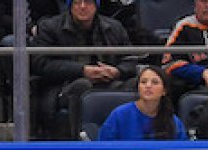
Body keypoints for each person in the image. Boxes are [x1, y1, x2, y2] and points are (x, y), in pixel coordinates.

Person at [32, 0, 136, 139]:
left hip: (108, 82)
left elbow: (130, 60)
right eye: (77, 2)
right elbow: (40, 64)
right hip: (65, 86)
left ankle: (130, 140)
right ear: (70, 6)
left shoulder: (114, 27)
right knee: (82, 85)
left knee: (137, 84)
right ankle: (79, 141)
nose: (82, 6)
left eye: (87, 2)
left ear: (96, 5)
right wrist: (82, 70)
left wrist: (117, 71)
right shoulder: (49, 27)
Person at [99, 66, 188, 141]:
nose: (148, 86)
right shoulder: (119, 115)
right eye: (143, 82)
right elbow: (103, 148)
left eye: (155, 82)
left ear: (164, 91)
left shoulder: (173, 121)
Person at [163, 0, 208, 100]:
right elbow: (169, 64)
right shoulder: (184, 26)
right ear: (195, 3)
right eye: (203, 1)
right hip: (194, 82)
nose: (207, 5)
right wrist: (201, 72)